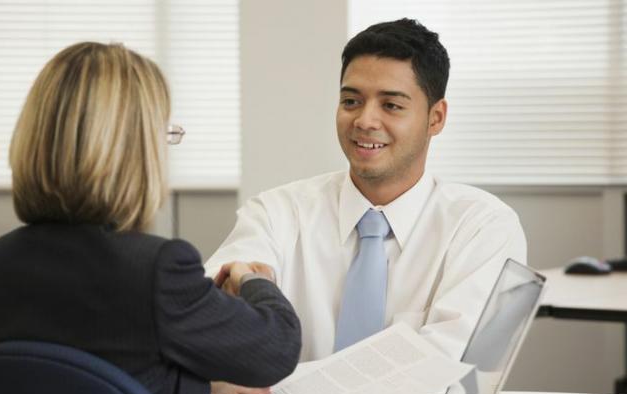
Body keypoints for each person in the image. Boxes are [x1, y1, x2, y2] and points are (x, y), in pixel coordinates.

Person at [0, 42, 301, 394]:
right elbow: (277, 349)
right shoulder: (156, 269)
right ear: (136, 152)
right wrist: (252, 280)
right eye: (165, 135)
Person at [207, 18, 526, 361]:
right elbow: (207, 310)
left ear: (436, 118)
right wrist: (236, 288)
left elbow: (451, 367)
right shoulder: (276, 213)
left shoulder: (483, 227)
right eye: (351, 101)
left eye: (391, 105)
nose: (364, 121)